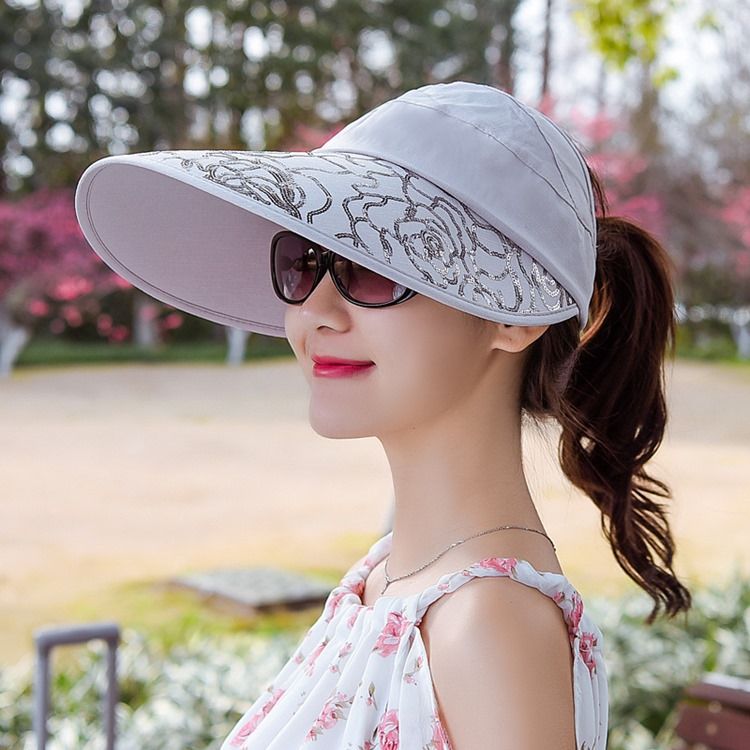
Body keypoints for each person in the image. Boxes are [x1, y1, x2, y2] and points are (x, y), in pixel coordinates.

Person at [74, 80, 692, 749]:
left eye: (371, 267)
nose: (315, 312)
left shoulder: (486, 626)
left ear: (515, 313)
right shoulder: (385, 580)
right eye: (302, 262)